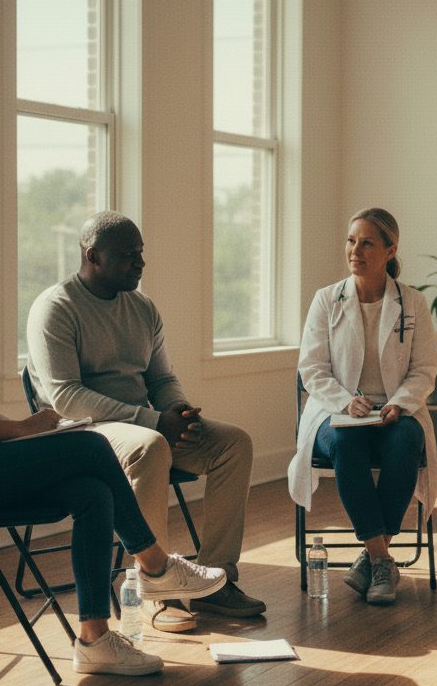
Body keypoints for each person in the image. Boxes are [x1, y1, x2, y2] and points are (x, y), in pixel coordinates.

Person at [0, 208, 227, 677]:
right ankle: (156, 565)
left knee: (93, 492)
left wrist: (26, 432)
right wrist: (21, 430)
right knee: (91, 446)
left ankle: (94, 639)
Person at [26, 212, 264, 630]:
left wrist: (178, 412)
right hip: (85, 432)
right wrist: (154, 421)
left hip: (145, 423)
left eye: (141, 253)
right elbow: (65, 397)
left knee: (234, 443)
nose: (140, 263)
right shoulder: (56, 308)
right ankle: (158, 587)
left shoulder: (142, 307)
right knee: (150, 447)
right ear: (93, 256)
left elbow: (161, 379)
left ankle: (215, 581)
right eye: (128, 255)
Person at [289, 208, 437, 605]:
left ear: (391, 250)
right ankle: (382, 559)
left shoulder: (414, 303)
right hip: (333, 412)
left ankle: (371, 559)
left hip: (395, 412)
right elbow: (312, 369)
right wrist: (344, 401)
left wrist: (400, 404)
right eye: (351, 241)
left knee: (405, 442)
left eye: (367, 243)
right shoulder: (327, 300)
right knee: (347, 443)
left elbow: (425, 370)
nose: (355, 250)